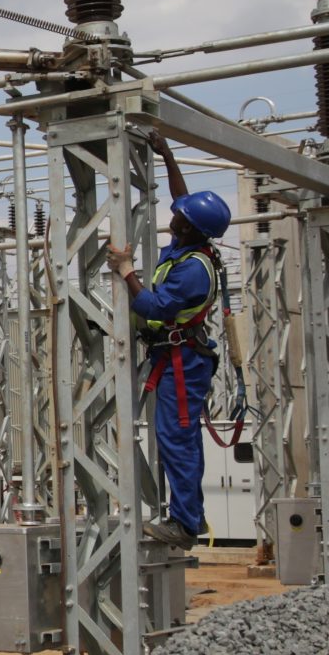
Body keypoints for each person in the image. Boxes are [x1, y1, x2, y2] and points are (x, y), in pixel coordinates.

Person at [106, 136, 231, 547]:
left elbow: (152, 307)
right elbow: (182, 197)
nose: (174, 215)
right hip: (176, 357)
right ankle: (184, 517)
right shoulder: (189, 243)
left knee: (178, 438)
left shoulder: (194, 270)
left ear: (192, 228)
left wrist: (125, 269)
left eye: (181, 217)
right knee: (176, 436)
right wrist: (167, 155)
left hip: (183, 362)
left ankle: (185, 524)